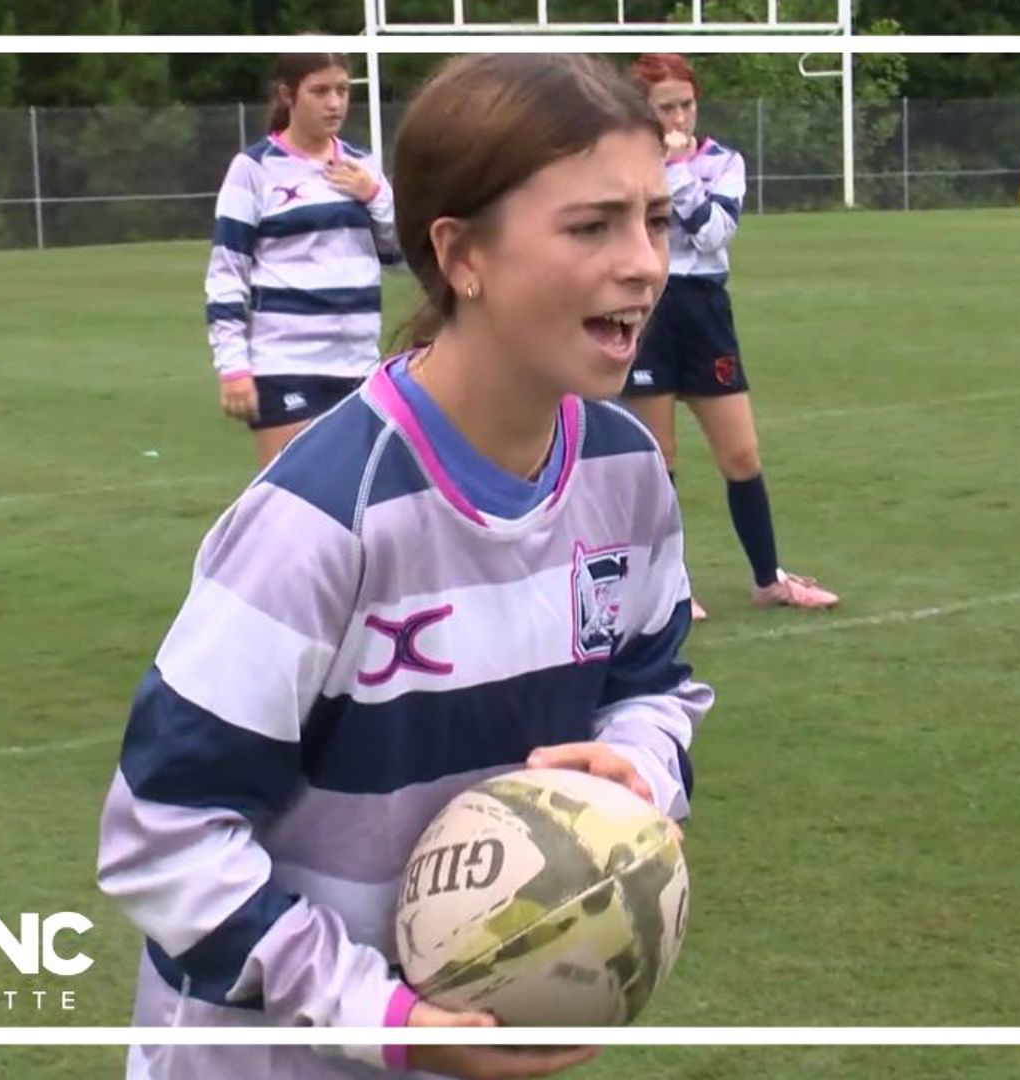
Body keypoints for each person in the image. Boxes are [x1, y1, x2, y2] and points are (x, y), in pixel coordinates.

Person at [101, 53, 709, 1079]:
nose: (645, 261)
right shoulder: (319, 517)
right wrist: (378, 1015)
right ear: (460, 252)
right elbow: (164, 839)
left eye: (656, 219)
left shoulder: (627, 473)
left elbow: (655, 691)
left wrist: (634, 773)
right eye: (592, 224)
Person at [620, 53, 838, 618]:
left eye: (686, 104)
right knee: (657, 457)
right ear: (644, 112)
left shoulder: (722, 162)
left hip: (707, 313)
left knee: (741, 454)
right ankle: (667, 586)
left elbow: (714, 233)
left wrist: (676, 173)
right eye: (665, 107)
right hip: (651, 312)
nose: (679, 116)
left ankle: (769, 578)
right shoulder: (626, 165)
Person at [206, 52, 402, 468]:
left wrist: (375, 195)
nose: (335, 103)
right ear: (287, 95)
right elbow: (227, 272)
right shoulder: (254, 169)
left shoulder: (361, 164)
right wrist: (234, 368)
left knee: (357, 511)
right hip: (286, 366)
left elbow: (400, 255)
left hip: (358, 366)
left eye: (343, 90)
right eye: (320, 91)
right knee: (292, 512)